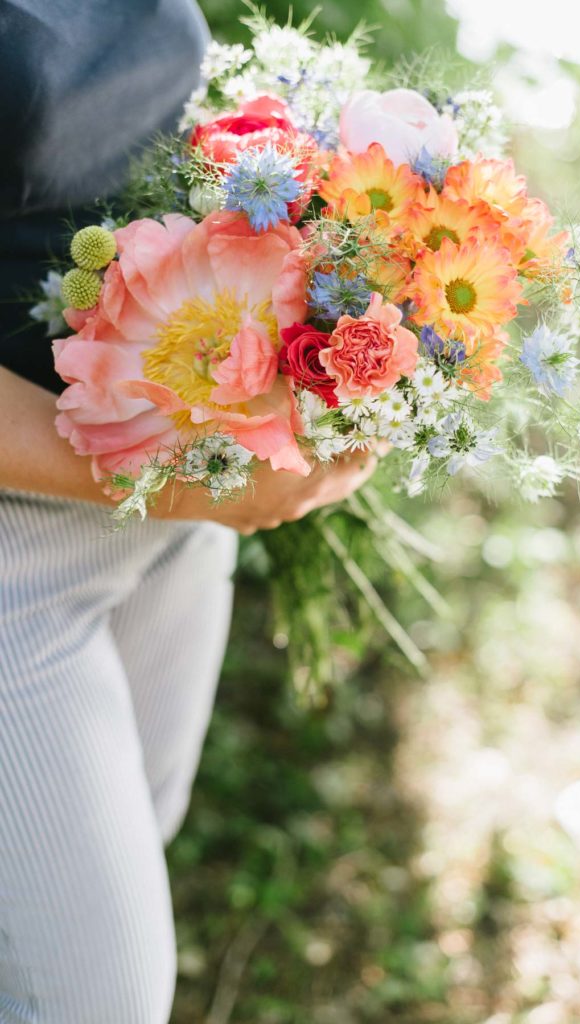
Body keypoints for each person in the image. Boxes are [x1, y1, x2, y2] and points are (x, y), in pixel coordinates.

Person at [0, 2, 374, 1021]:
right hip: (22, 527)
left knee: (133, 824)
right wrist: (175, 477)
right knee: (93, 998)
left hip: (170, 479)